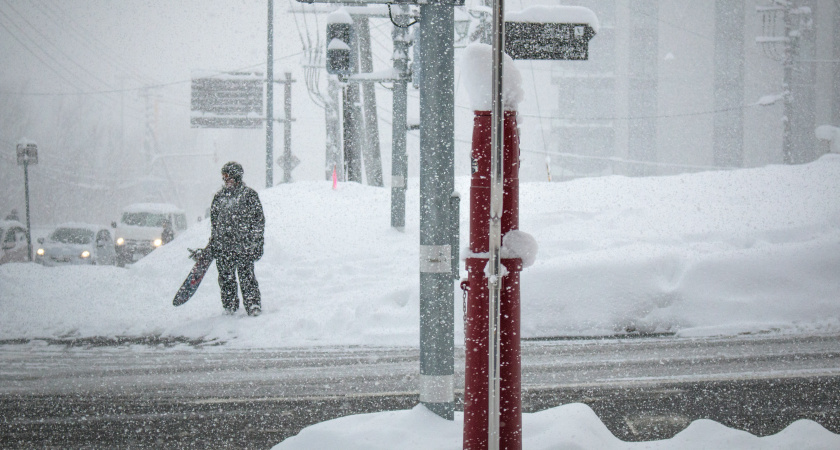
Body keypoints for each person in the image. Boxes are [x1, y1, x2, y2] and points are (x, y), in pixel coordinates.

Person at [195, 162, 265, 316]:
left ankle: (253, 305)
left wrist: (256, 243)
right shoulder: (219, 197)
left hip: (243, 247)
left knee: (247, 277)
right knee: (226, 279)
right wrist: (214, 243)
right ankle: (229, 306)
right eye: (224, 177)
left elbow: (258, 221)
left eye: (228, 176)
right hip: (223, 247)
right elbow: (215, 223)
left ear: (237, 177)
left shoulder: (249, 195)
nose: (226, 180)